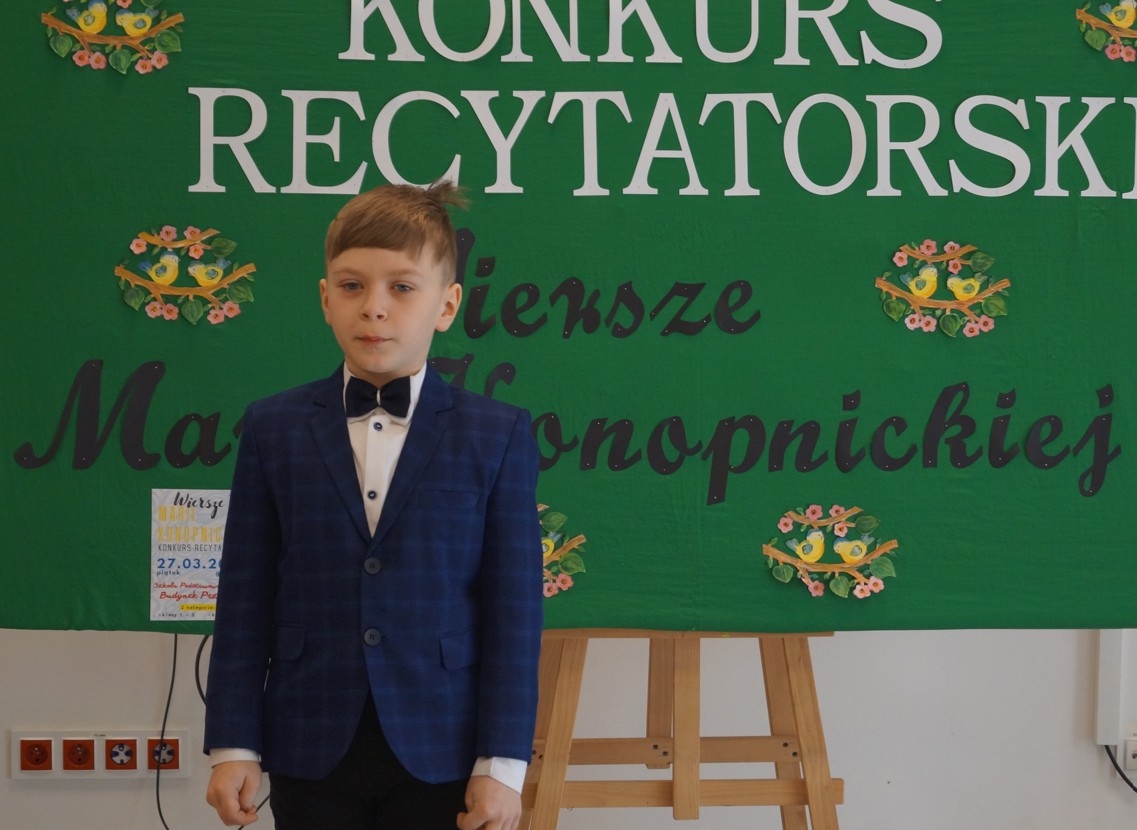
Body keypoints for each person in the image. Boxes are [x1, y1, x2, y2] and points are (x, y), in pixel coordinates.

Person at [203, 181, 543, 830]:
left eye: (402, 287)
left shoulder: (496, 434)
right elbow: (244, 597)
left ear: (447, 305)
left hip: (443, 745)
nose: (375, 308)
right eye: (352, 286)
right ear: (325, 299)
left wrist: (501, 764)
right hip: (308, 740)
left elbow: (514, 614)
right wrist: (233, 745)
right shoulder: (273, 427)